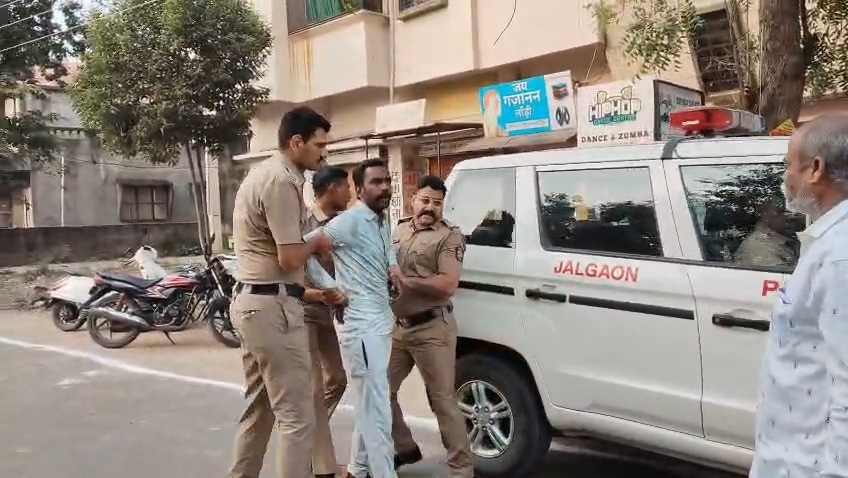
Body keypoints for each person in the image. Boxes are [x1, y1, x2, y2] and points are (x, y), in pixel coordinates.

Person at [227, 106, 342, 478]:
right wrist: (318, 242)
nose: (324, 154)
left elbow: (300, 242)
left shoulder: (271, 175)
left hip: (256, 303)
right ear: (296, 143)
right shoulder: (280, 181)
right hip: (272, 306)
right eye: (319, 145)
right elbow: (291, 255)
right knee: (297, 417)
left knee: (260, 410)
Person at [750, 114, 848, 478]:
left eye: (789, 164)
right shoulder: (828, 242)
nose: (786, 176)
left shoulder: (840, 256)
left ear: (816, 169)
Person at [304, 158, 404, 478]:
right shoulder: (348, 221)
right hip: (359, 327)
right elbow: (301, 251)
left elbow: (387, 246)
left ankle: (358, 470)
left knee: (371, 401)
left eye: (387, 180)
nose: (384, 187)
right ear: (359, 189)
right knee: (377, 410)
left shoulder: (381, 218)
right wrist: (330, 288)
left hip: (380, 321)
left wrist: (392, 266)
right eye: (376, 182)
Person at [389, 175, 473, 478]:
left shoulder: (450, 236)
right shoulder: (399, 229)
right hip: (398, 328)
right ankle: (404, 447)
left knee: (443, 402)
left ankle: (462, 470)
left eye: (437, 203)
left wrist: (405, 281)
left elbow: (447, 284)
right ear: (413, 200)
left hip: (432, 329)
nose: (430, 208)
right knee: (379, 391)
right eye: (425, 201)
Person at [303, 166, 352, 478]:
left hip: (328, 312)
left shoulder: (344, 223)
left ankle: (304, 435)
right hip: (303, 310)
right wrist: (321, 295)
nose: (351, 193)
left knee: (337, 378)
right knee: (313, 388)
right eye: (347, 187)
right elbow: (291, 269)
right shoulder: (304, 223)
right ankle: (321, 465)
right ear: (333, 188)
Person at [733, 201, 798, 268]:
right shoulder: (759, 246)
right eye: (780, 212)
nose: (788, 217)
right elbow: (777, 273)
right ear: (765, 216)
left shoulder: (780, 239)